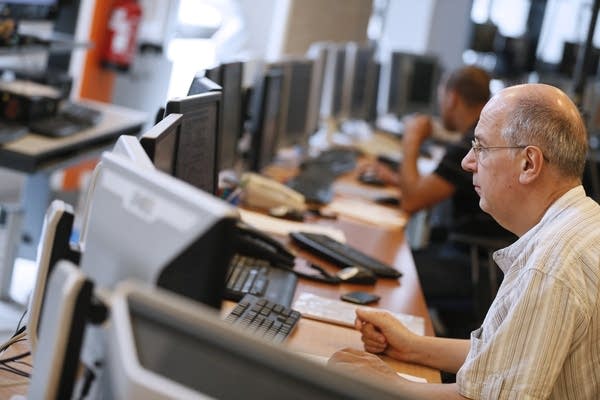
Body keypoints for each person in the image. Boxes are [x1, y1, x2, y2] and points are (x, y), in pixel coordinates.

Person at [329, 83, 600, 399]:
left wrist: (389, 384)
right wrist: (412, 347)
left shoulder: (551, 265)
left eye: (482, 148)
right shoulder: (581, 225)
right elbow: (504, 361)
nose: (467, 162)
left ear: (529, 164)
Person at [370, 66, 514, 332]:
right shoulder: (487, 134)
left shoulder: (471, 143)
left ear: (453, 97)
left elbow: (412, 201)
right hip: (474, 258)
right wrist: (399, 180)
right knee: (391, 258)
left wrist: (411, 139)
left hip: (469, 265)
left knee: (385, 271)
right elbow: (428, 188)